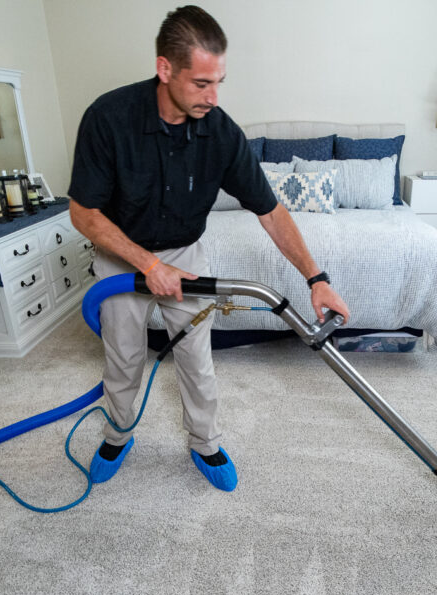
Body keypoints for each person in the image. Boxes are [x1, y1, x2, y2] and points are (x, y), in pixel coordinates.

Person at [68, 5, 349, 492]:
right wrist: (147, 264)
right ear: (165, 68)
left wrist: (316, 278)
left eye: (219, 82)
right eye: (202, 83)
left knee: (197, 358)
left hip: (186, 254)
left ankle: (205, 442)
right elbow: (83, 213)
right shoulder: (108, 118)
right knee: (123, 356)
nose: (213, 96)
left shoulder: (220, 131)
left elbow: (270, 210)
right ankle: (117, 434)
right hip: (122, 257)